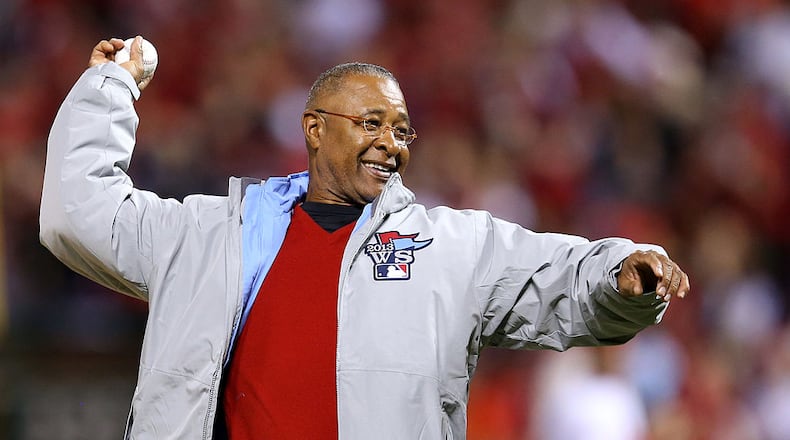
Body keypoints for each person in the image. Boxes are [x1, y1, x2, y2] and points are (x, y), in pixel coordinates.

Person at [39, 37, 690, 439]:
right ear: (315, 128)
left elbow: (553, 276)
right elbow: (83, 214)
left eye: (402, 129)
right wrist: (108, 91)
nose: (391, 143)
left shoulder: (448, 246)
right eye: (371, 122)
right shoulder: (209, 233)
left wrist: (620, 276)